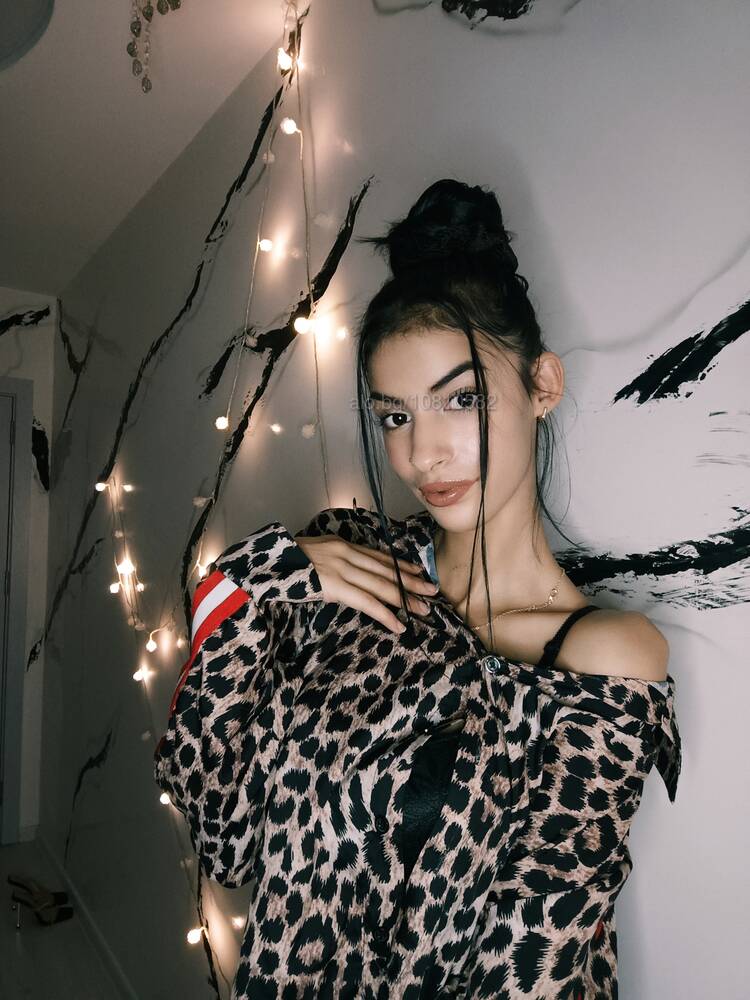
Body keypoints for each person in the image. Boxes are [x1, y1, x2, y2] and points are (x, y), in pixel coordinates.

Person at [154, 178, 681, 999]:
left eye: (460, 400)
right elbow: (224, 834)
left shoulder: (603, 659)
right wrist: (251, 580)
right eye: (394, 416)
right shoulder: (350, 566)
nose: (420, 455)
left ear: (542, 385)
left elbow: (534, 956)